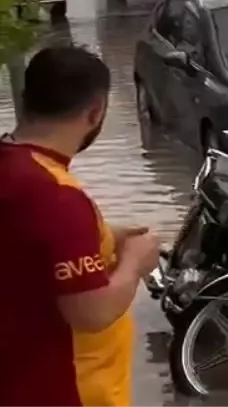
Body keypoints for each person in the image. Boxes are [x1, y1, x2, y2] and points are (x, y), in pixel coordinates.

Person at [0, 45, 162, 407]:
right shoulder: (54, 194)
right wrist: (134, 262)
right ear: (96, 111)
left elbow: (27, 248)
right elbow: (92, 312)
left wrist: (104, 237)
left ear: (26, 99)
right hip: (64, 392)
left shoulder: (12, 167)